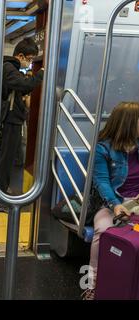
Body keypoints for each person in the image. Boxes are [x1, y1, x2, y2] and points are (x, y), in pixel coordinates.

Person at [82, 102, 139, 300]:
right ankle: (92, 284)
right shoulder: (102, 149)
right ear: (130, 124)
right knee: (104, 231)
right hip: (109, 202)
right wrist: (116, 205)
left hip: (136, 202)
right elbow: (102, 182)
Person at [0, 37, 44, 212]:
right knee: (6, 159)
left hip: (12, 118)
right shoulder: (9, 67)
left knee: (8, 158)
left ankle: (2, 191)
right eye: (29, 59)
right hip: (10, 119)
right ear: (20, 55)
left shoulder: (10, 68)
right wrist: (41, 74)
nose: (29, 63)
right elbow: (24, 84)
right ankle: (0, 198)